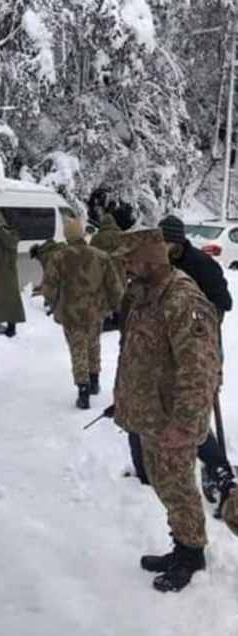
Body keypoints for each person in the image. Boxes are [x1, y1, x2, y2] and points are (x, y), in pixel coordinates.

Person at [110, 229, 220, 592]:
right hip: (150, 415)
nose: (126, 265)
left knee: (179, 489)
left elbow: (200, 370)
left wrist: (185, 424)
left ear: (151, 260)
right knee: (164, 485)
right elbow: (135, 353)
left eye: (130, 259)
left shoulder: (182, 301)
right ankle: (182, 545)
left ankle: (191, 554)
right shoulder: (145, 294)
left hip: (173, 419)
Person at [124, 215, 235, 511]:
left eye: (167, 242)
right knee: (151, 414)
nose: (163, 247)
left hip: (198, 349)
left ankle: (218, 469)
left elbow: (224, 302)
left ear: (177, 241)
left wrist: (188, 316)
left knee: (191, 415)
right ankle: (146, 473)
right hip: (160, 358)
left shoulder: (201, 266)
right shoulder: (153, 270)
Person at [41, 218, 123, 409]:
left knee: (78, 349)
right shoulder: (101, 256)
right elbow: (113, 284)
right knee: (94, 344)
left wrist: (51, 302)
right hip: (95, 310)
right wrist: (117, 306)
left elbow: (50, 284)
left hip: (70, 311)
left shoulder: (59, 257)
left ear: (68, 236)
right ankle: (94, 380)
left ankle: (83, 389)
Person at [89, 213, 126, 331]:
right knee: (119, 294)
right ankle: (119, 319)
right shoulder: (121, 236)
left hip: (103, 271)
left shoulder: (96, 238)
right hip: (120, 270)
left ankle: (105, 321)